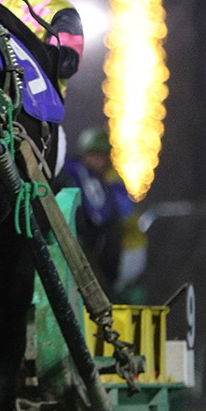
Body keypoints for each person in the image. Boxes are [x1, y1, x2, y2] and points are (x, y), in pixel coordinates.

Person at [58, 127, 147, 303]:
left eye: (98, 156)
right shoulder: (88, 176)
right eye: (89, 156)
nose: (93, 161)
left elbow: (114, 218)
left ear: (107, 158)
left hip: (129, 249)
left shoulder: (112, 181)